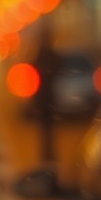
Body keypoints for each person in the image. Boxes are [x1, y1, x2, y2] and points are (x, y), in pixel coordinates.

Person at [31, 37, 63, 165]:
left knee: (45, 130)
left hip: (44, 99)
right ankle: (49, 155)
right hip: (49, 98)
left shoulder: (41, 57)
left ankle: (46, 155)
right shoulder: (51, 57)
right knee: (48, 129)